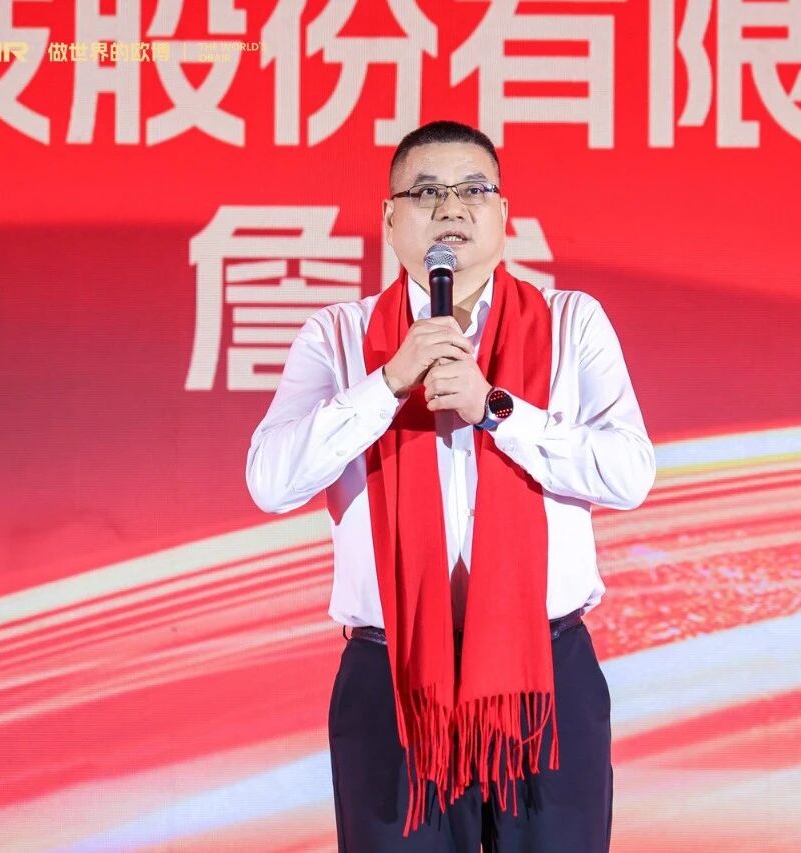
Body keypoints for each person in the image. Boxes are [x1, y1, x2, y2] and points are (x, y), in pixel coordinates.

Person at [246, 120, 653, 852]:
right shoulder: (337, 337)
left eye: (473, 190)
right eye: (427, 192)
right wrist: (387, 383)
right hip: (392, 676)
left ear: (503, 213)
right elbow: (270, 481)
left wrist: (496, 408)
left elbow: (628, 474)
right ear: (389, 217)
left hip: (543, 672)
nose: (451, 208)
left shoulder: (571, 323)